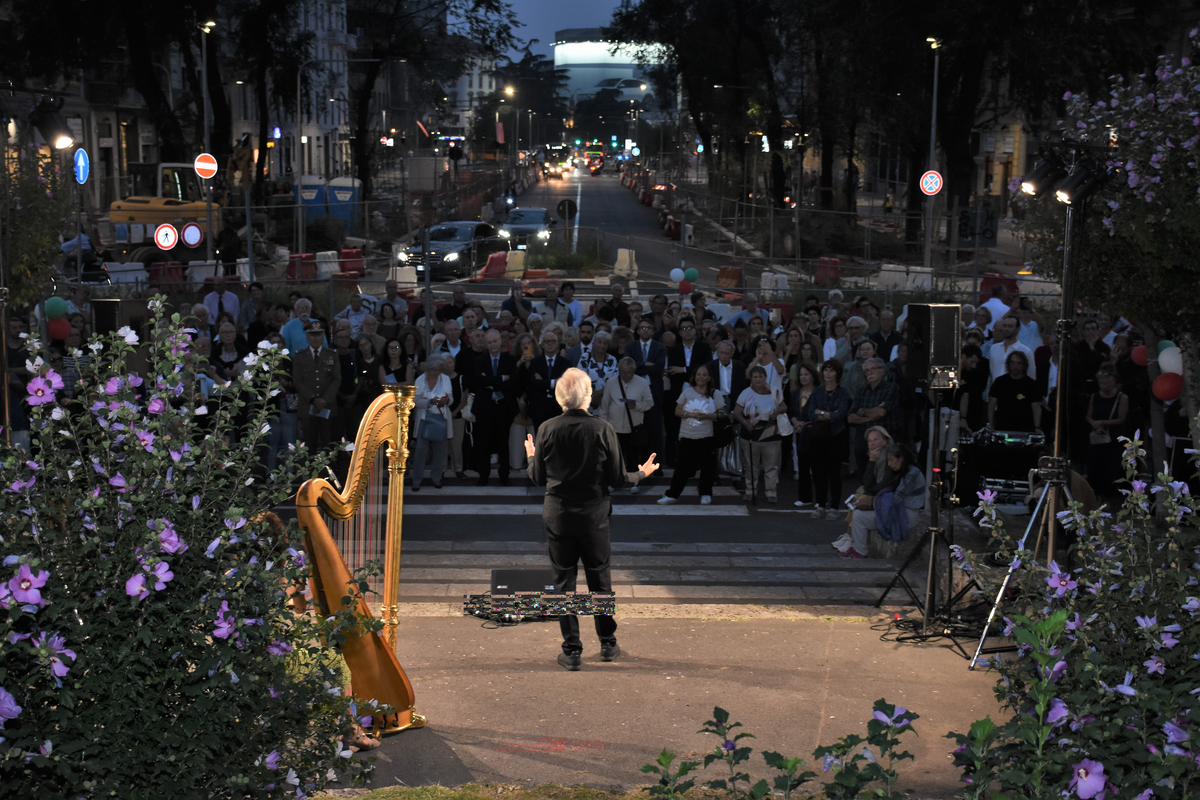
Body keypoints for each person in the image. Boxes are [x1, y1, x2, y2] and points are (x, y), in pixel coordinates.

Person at [524, 368, 660, 670]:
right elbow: (618, 479)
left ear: (561, 396)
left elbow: (536, 478)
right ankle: (608, 644)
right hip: (594, 517)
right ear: (587, 396)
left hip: (559, 515)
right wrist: (642, 474)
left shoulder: (547, 428)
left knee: (564, 583)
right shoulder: (602, 429)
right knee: (600, 581)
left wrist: (531, 455)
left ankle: (572, 650)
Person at [659, 363, 725, 505]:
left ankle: (706, 493)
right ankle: (673, 494)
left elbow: (722, 414)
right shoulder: (687, 392)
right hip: (687, 435)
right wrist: (690, 414)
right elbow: (677, 411)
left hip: (707, 435)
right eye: (698, 374)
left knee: (708, 467)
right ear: (694, 377)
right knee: (682, 467)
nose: (701, 377)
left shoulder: (715, 393)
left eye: (704, 375)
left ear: (709, 378)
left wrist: (707, 416)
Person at [845, 444, 926, 559]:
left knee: (860, 516)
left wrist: (871, 502)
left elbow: (896, 499)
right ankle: (858, 549)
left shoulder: (912, 474)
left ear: (901, 459)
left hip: (906, 514)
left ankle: (859, 551)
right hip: (897, 510)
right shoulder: (902, 471)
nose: (890, 464)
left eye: (892, 460)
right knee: (858, 515)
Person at [732, 365, 787, 503]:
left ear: (765, 377)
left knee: (771, 465)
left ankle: (771, 492)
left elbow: (784, 406)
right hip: (750, 435)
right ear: (751, 379)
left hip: (771, 434)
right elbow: (737, 412)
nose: (758, 379)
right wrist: (745, 423)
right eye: (755, 377)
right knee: (751, 466)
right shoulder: (745, 393)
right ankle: (750, 490)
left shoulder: (774, 391)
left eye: (760, 376)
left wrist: (776, 412)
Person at [805, 358, 852, 520]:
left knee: (834, 472)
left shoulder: (843, 392)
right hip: (818, 436)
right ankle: (820, 504)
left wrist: (822, 413)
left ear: (837, 373)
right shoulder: (818, 391)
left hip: (836, 436)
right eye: (825, 369)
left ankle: (834, 506)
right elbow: (811, 413)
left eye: (831, 370)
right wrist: (828, 415)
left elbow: (840, 415)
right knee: (819, 472)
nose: (828, 373)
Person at [472, 329, 518, 486]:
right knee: (483, 442)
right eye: (489, 342)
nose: (492, 345)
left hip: (504, 407)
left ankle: (504, 475)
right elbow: (481, 382)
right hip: (485, 407)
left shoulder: (510, 360)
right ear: (486, 344)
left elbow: (512, 383)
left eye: (495, 341)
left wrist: (491, 382)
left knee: (503, 442)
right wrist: (501, 379)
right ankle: (483, 475)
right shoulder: (479, 361)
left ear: (500, 341)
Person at [293, 321, 341, 451]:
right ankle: (309, 471)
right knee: (309, 445)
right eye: (312, 335)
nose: (316, 338)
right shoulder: (299, 356)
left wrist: (324, 400)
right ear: (307, 337)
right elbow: (297, 381)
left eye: (319, 335)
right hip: (307, 407)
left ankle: (330, 471)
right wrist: (313, 400)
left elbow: (336, 379)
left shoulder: (332, 354)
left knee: (328, 444)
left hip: (327, 406)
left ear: (323, 336)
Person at [409, 358, 452, 491]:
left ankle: (436, 478)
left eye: (439, 369)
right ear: (428, 369)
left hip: (441, 418)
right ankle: (416, 479)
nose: (437, 372)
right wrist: (430, 402)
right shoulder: (420, 380)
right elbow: (415, 401)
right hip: (424, 419)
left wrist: (445, 401)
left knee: (440, 452)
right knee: (421, 451)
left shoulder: (445, 379)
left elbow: (450, 397)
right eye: (434, 370)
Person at [1084, 368, 1128, 497]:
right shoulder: (1095, 396)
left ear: (1113, 381)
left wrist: (1102, 422)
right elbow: (1088, 415)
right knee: (1094, 467)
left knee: (1110, 468)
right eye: (1101, 383)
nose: (1103, 386)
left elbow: (1121, 418)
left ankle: (1109, 496)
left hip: (1113, 437)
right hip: (1097, 435)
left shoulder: (1122, 397)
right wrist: (1094, 424)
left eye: (1106, 383)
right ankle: (1094, 494)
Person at [523, 329, 571, 429]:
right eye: (546, 341)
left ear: (558, 344)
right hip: (539, 409)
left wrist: (543, 382)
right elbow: (534, 383)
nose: (549, 344)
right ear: (542, 344)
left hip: (558, 408)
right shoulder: (535, 362)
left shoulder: (565, 363)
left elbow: (565, 384)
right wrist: (554, 382)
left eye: (553, 341)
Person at [789, 363, 820, 510]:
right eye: (801, 374)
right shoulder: (795, 393)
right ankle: (805, 497)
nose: (803, 377)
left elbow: (820, 412)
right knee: (803, 467)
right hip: (801, 435)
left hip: (815, 434)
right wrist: (795, 421)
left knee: (818, 467)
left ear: (813, 376)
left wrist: (805, 423)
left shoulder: (819, 392)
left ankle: (820, 499)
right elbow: (791, 412)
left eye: (806, 374)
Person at [988, 350, 1041, 433]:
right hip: (1002, 428)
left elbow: (1036, 407)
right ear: (1008, 364)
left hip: (1025, 429)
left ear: (1024, 366)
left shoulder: (1031, 384)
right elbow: (991, 405)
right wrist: (991, 426)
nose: (1015, 366)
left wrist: (1037, 427)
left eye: (1019, 363)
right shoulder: (999, 382)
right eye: (1012, 363)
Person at [579, 331, 618, 409]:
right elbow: (580, 379)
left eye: (605, 343)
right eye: (599, 342)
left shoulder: (612, 360)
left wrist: (600, 393)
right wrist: (591, 396)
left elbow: (615, 381)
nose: (602, 345)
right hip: (587, 402)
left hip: (607, 402)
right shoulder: (585, 357)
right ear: (594, 343)